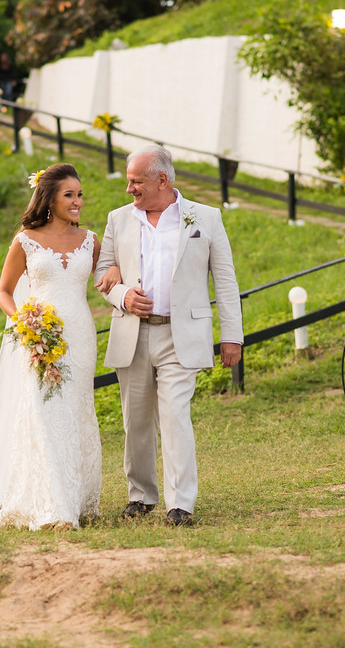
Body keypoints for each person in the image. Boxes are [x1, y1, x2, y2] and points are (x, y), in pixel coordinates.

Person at [0, 164, 113, 531]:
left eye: (80, 194)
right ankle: (53, 505)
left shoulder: (91, 239)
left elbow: (107, 277)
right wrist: (25, 323)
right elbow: (3, 291)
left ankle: (77, 496)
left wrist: (116, 277)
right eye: (70, 195)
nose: (78, 201)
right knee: (43, 413)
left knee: (76, 411)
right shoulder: (26, 240)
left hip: (80, 336)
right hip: (38, 337)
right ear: (49, 198)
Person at [94, 144, 244, 527]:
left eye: (136, 181)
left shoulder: (205, 218)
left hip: (182, 336)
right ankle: (141, 495)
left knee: (175, 416)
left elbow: (225, 280)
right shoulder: (119, 219)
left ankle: (181, 503)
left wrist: (233, 335)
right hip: (133, 333)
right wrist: (123, 295)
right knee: (136, 421)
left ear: (162, 180)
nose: (129, 189)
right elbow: (103, 273)